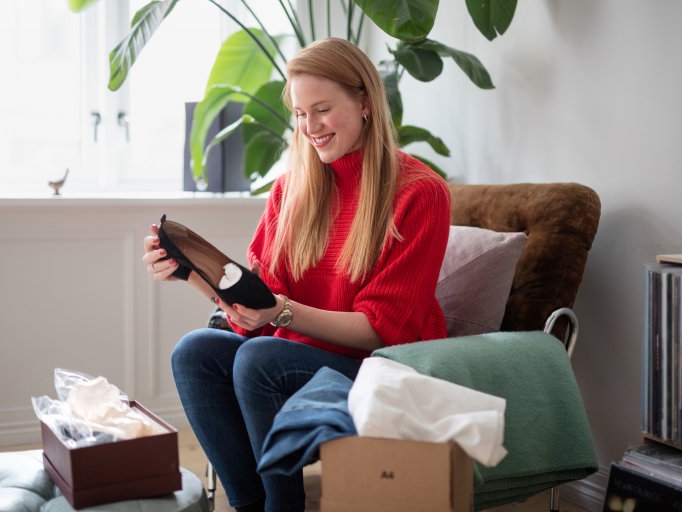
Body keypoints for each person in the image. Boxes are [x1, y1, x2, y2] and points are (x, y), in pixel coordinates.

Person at [142, 37, 451, 512]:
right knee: (195, 352)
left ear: (365, 101)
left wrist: (281, 312)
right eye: (301, 114)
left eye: (322, 109)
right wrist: (188, 273)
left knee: (259, 359)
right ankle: (251, 505)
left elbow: (381, 331)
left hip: (379, 367)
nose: (310, 127)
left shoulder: (420, 193)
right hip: (290, 355)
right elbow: (258, 308)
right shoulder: (292, 189)